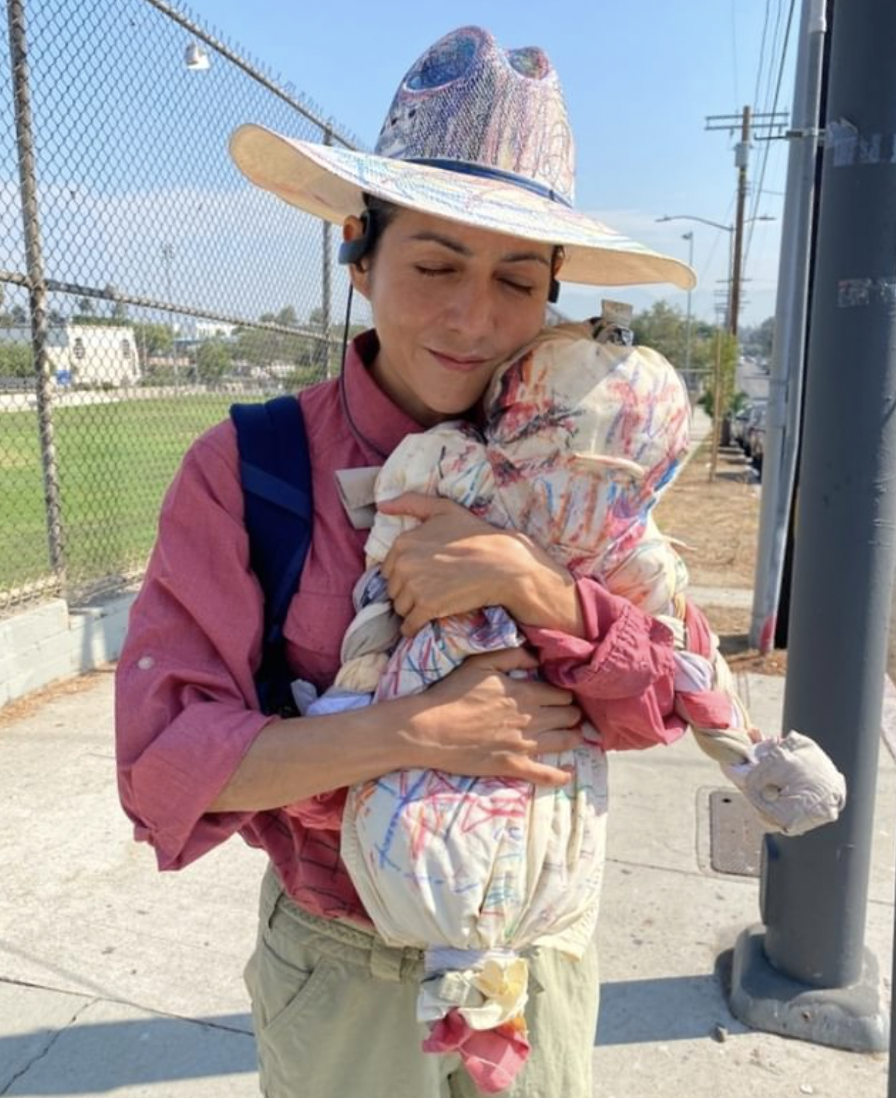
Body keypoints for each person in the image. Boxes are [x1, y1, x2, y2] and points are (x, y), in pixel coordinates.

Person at [116, 24, 706, 1098]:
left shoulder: (582, 463)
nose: (472, 319)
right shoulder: (250, 470)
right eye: (433, 263)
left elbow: (666, 698)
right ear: (357, 248)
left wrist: (533, 586)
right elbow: (167, 766)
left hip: (536, 959)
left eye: (516, 282)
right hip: (340, 976)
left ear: (552, 289)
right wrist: (413, 732)